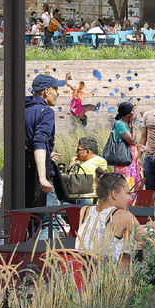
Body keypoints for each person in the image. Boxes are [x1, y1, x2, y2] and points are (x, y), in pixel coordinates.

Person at [76, 172, 142, 264]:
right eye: (127, 193)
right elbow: (148, 243)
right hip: (107, 276)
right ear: (114, 194)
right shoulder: (124, 216)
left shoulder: (84, 211)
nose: (129, 198)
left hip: (80, 273)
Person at [24, 75, 63, 212]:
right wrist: (42, 177)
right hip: (33, 176)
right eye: (55, 89)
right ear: (46, 91)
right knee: (44, 222)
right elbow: (39, 142)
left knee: (19, 222)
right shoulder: (46, 112)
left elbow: (26, 141)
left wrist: (46, 153)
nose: (57, 93)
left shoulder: (21, 109)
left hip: (17, 174)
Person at [105, 101, 140, 187]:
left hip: (131, 162)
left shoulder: (127, 125)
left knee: (133, 186)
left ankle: (132, 201)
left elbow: (133, 143)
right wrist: (133, 124)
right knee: (125, 186)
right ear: (128, 114)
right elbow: (131, 140)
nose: (135, 113)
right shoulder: (120, 124)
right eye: (134, 111)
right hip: (124, 163)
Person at [63, 137, 106, 206]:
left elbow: (69, 187)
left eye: (78, 150)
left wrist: (70, 168)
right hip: (98, 201)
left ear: (87, 151)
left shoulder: (85, 167)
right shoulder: (102, 163)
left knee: (57, 204)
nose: (76, 152)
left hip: (85, 202)